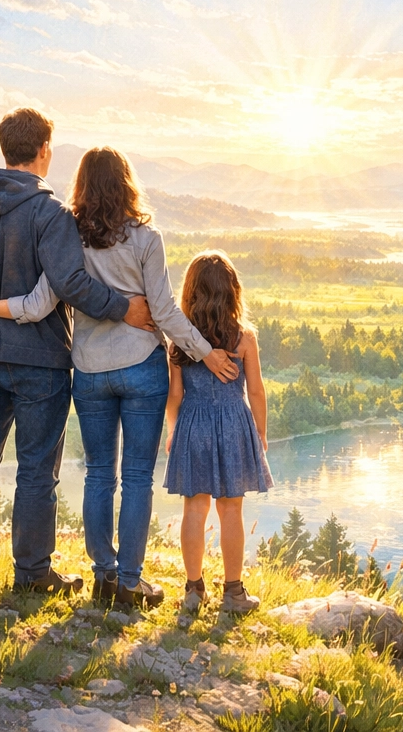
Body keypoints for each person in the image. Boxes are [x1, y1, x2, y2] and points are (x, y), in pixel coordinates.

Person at [0, 146, 239, 609]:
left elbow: (39, 302)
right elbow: (166, 312)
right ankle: (130, 584)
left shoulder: (69, 234)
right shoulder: (147, 238)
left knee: (97, 476)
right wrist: (207, 353)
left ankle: (102, 577)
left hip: (89, 371)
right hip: (142, 371)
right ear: (127, 182)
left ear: (82, 187)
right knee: (135, 478)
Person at [0, 108, 156, 593]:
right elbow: (71, 283)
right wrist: (125, 309)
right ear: (42, 150)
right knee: (36, 469)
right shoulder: (48, 212)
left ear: (4, 148)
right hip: (41, 360)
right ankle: (32, 574)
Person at [163, 251, 272, 619]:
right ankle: (234, 591)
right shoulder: (244, 339)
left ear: (190, 292)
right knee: (231, 510)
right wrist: (259, 432)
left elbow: (174, 394)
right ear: (233, 292)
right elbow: (255, 391)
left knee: (194, 508)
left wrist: (173, 429)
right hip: (233, 426)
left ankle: (193, 590)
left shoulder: (180, 341)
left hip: (192, 424)